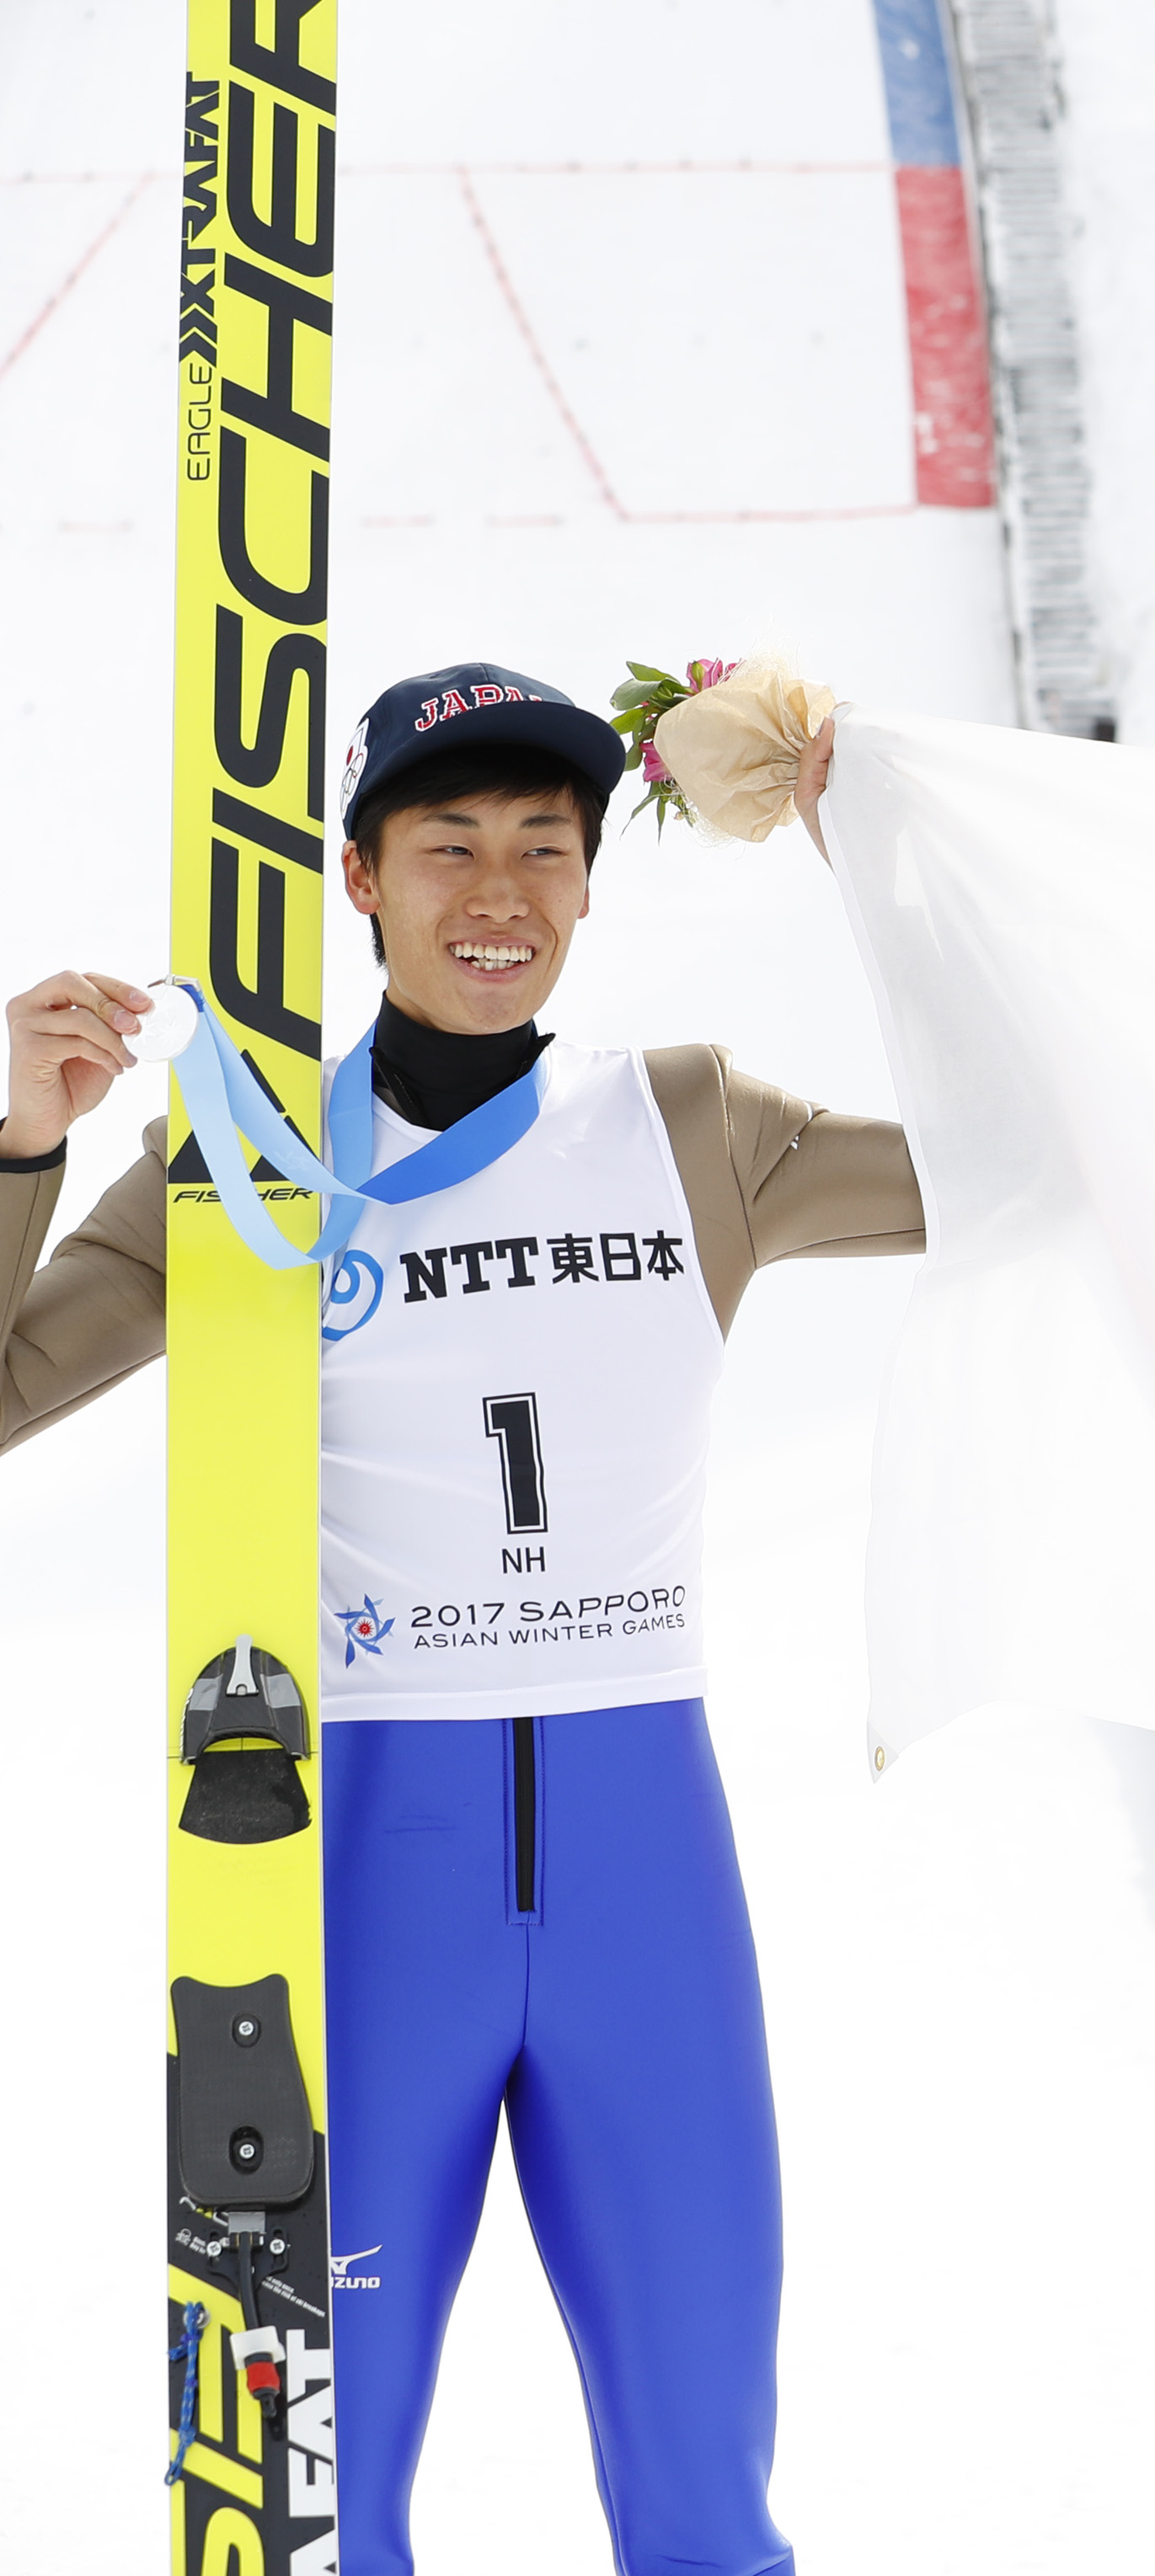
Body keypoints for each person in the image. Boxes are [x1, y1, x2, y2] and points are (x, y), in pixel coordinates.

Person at [2, 663, 921, 2576]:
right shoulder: (243, 1162)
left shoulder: (698, 1128)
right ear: (357, 878)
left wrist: (891, 854)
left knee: (701, 2495)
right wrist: (24, 1144)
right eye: (447, 846)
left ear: (590, 886)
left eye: (543, 847)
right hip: (367, 1873)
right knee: (323, 2508)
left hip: (644, 1857)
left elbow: (1021, 1182)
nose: (496, 887)